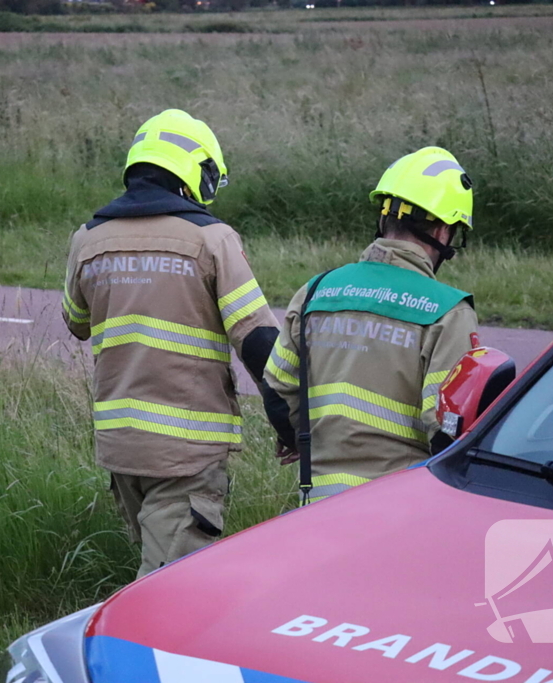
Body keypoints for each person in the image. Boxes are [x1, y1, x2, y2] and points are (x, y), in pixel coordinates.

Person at [61, 109, 285, 578]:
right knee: (166, 588)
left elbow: (76, 322)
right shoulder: (212, 240)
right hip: (187, 449)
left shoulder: (87, 240)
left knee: (156, 566)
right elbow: (259, 340)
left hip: (121, 447)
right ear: (195, 173)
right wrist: (291, 422)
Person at [262, 146, 479, 504]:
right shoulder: (447, 312)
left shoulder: (315, 291)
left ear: (384, 220)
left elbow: (276, 392)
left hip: (316, 507)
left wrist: (298, 438)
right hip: (399, 510)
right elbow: (449, 429)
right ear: (443, 231)